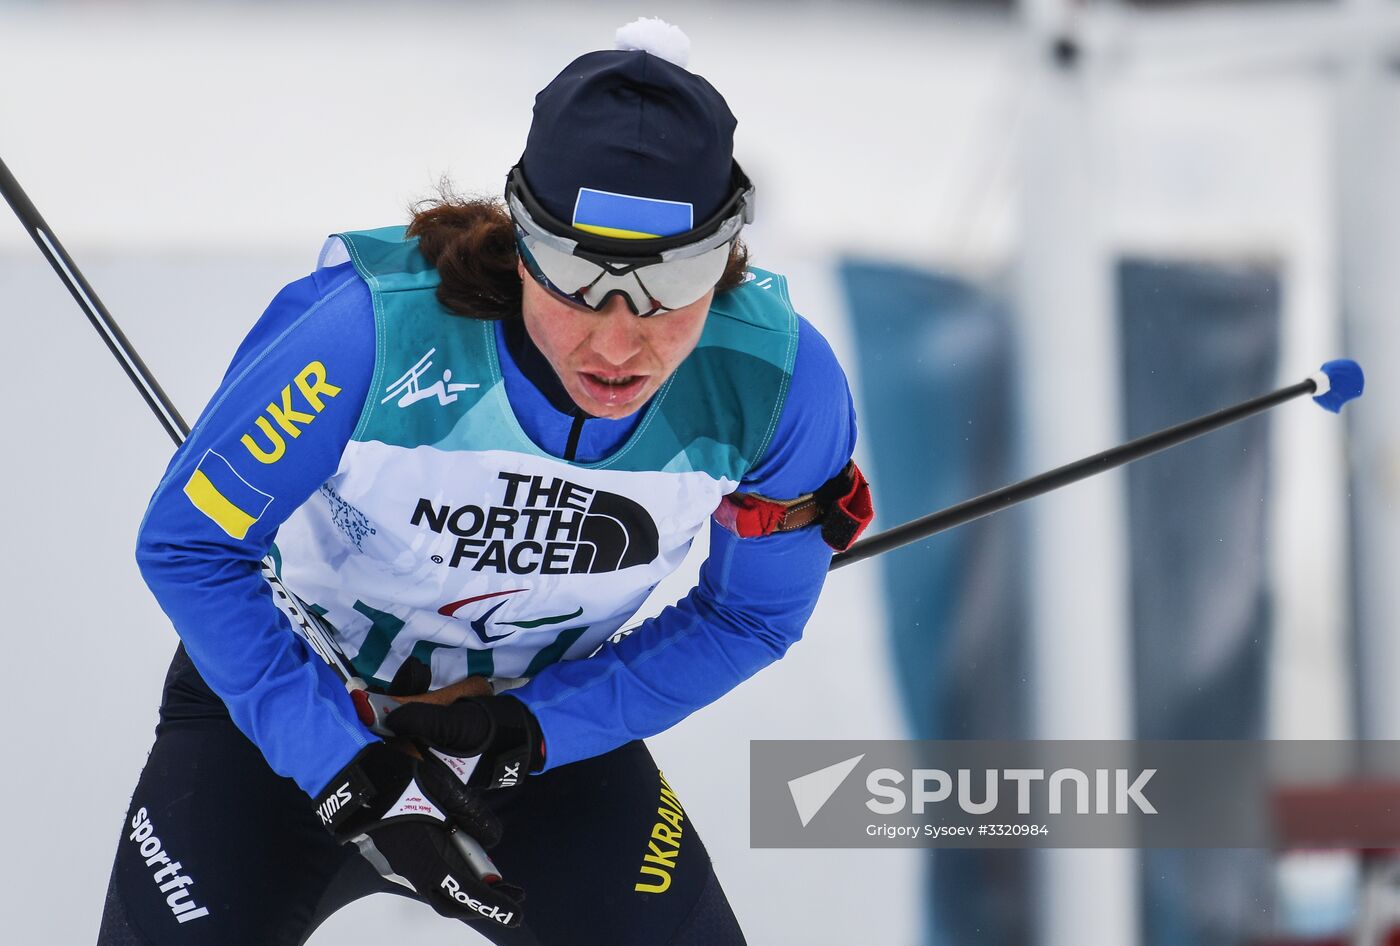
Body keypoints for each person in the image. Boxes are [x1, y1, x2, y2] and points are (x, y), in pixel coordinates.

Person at [97, 19, 870, 946]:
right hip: (283, 713)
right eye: (579, 279)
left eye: (675, 285)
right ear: (519, 241)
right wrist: (343, 765)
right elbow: (190, 548)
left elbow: (749, 616)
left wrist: (526, 731)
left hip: (533, 741)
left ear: (730, 258)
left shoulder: (777, 385)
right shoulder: (365, 339)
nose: (620, 341)